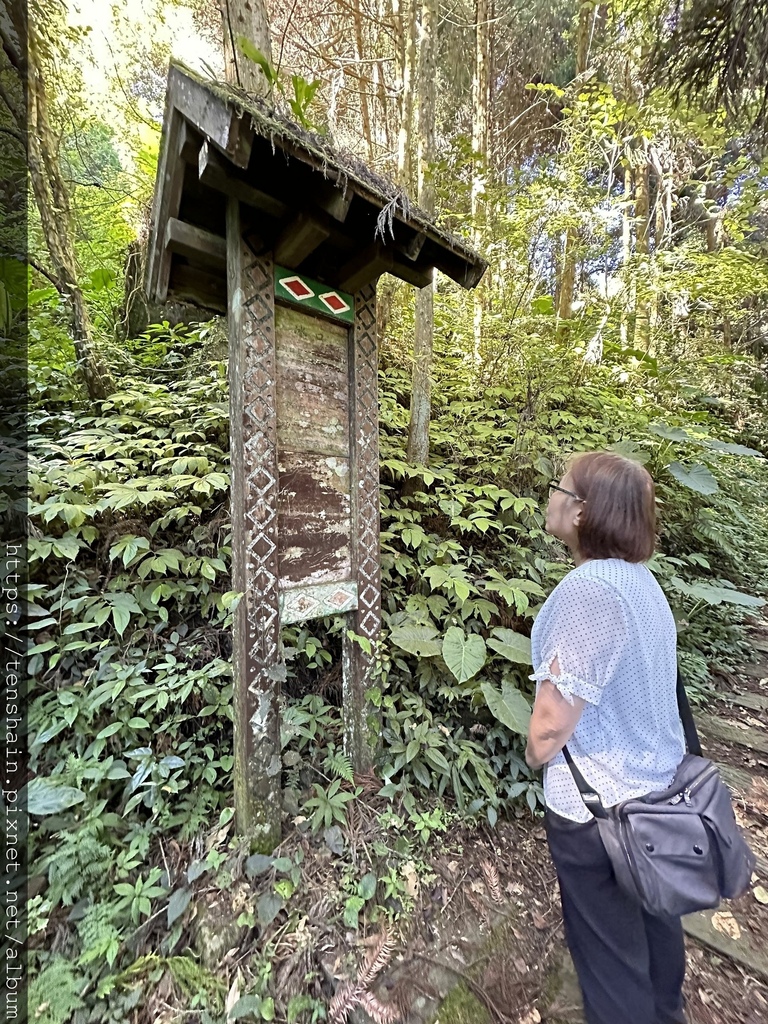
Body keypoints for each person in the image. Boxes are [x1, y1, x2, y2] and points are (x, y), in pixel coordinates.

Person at [524, 451, 688, 1024]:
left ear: (582, 511)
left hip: (598, 810)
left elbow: (550, 723)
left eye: (558, 487)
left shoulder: (588, 591)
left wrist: (534, 753)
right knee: (654, 929)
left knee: (610, 963)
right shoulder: (642, 584)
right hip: (655, 797)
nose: (551, 495)